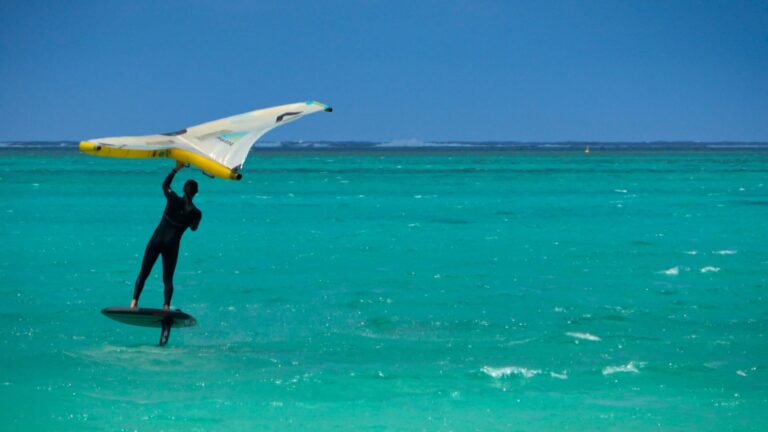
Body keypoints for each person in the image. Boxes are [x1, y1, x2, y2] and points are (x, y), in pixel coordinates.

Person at [131, 160, 202, 310]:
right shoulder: (196, 213)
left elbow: (165, 186)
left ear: (184, 189)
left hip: (156, 239)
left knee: (143, 273)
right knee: (168, 279)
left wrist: (176, 169)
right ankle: (166, 307)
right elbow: (194, 228)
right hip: (172, 244)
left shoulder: (172, 198)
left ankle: (134, 303)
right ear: (196, 193)